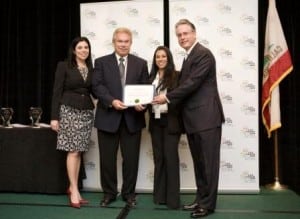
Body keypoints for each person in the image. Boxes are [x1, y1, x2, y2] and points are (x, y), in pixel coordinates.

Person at [153, 19, 225, 218]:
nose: (182, 37)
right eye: (179, 35)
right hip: (194, 121)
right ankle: (201, 200)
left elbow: (192, 83)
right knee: (200, 164)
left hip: (206, 119)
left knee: (208, 165)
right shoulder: (188, 57)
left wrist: (166, 96)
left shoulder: (203, 54)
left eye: (186, 33)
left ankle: (207, 205)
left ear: (194, 34)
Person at [92, 27, 149, 208]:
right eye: (120, 41)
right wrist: (111, 101)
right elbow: (97, 86)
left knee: (131, 160)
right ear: (114, 42)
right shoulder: (101, 62)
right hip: (108, 117)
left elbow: (145, 88)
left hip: (132, 119)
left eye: (127, 41)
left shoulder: (141, 63)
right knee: (107, 160)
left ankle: (128, 194)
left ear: (131, 43)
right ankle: (109, 193)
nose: (123, 44)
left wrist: (143, 104)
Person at [50, 36, 95, 208]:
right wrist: (55, 117)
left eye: (86, 47)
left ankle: (72, 187)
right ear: (74, 50)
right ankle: (75, 190)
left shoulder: (91, 67)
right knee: (73, 150)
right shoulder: (64, 66)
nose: (84, 50)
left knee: (79, 151)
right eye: (80, 47)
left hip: (86, 113)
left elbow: (95, 90)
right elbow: (56, 91)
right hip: (68, 110)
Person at [148, 46, 182, 209]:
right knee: (159, 159)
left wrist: (166, 99)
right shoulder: (150, 78)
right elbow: (145, 98)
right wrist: (140, 104)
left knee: (171, 158)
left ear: (168, 58)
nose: (160, 59)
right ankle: (160, 196)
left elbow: (180, 97)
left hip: (171, 121)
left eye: (163, 56)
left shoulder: (176, 76)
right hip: (155, 122)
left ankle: (173, 200)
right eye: (157, 57)